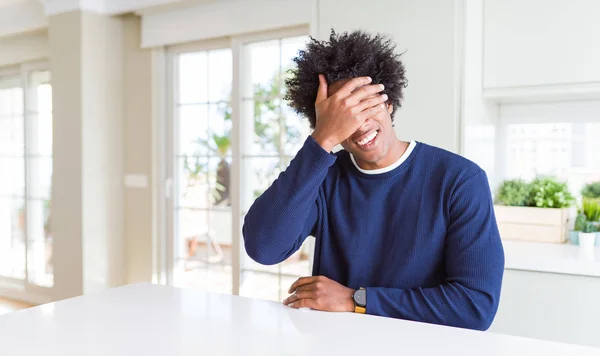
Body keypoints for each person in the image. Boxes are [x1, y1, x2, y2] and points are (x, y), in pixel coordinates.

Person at [242, 30, 504, 331]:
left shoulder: (459, 180)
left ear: (389, 102)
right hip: (336, 344)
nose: (360, 124)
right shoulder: (323, 175)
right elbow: (264, 247)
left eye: (366, 105)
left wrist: (357, 300)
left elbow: (475, 306)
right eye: (343, 116)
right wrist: (322, 140)